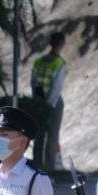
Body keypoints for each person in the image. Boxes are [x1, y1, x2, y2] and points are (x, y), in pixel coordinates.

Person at [30, 31, 67, 169]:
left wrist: (37, 100)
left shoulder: (38, 62)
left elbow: (33, 82)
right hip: (53, 103)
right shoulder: (60, 63)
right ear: (62, 44)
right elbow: (56, 87)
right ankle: (50, 166)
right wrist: (49, 105)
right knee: (52, 135)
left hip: (38, 101)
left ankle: (37, 164)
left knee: (39, 135)